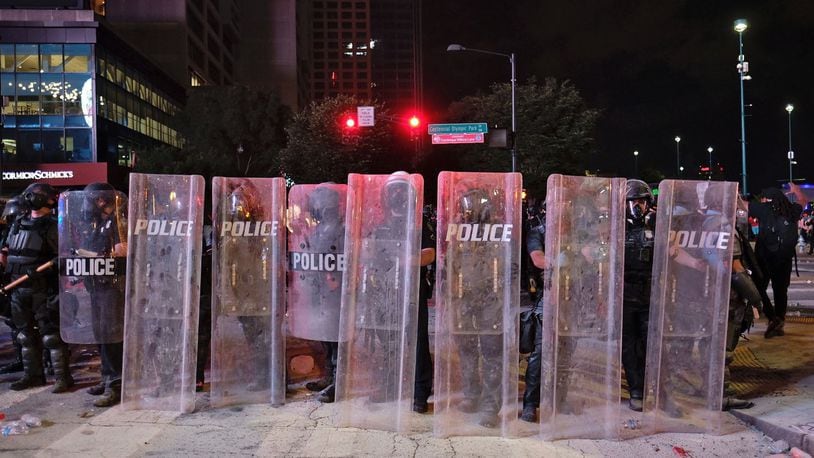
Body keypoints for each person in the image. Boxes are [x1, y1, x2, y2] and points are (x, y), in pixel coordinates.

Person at [0, 182, 73, 392]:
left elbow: (64, 257)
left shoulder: (53, 225)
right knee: (24, 335)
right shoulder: (17, 223)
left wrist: (45, 269)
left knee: (50, 335)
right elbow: (7, 250)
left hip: (43, 288)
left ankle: (62, 378)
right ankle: (33, 375)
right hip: (17, 287)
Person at [79, 182, 127, 407]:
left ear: (101, 200)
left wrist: (98, 255)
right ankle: (107, 377)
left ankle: (116, 384)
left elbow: (122, 251)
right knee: (101, 333)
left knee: (112, 334)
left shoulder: (119, 221)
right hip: (96, 283)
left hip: (113, 285)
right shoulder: (99, 223)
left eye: (92, 199)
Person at [750, 185, 805, 338]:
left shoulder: (763, 209)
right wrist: (797, 191)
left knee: (758, 288)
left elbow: (742, 205)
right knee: (781, 290)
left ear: (767, 199)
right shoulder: (791, 210)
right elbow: (803, 201)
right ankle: (779, 320)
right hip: (784, 258)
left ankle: (772, 317)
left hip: (764, 257)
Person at [621, 179, 655, 411]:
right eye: (632, 201)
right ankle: (636, 389)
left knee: (651, 342)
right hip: (624, 293)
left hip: (650, 293)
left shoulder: (658, 225)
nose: (637, 205)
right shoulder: (614, 226)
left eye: (641, 201)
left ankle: (653, 387)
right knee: (629, 345)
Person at [521, 212, 545, 422]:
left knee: (566, 355)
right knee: (540, 354)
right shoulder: (539, 232)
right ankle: (530, 404)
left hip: (572, 296)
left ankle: (560, 400)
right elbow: (538, 259)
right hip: (547, 297)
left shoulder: (576, 232)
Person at [0, 195, 28, 374]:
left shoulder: (31, 228)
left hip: (29, 281)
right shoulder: (9, 231)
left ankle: (42, 363)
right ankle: (22, 360)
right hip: (10, 279)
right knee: (14, 322)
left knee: (34, 326)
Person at [413, 205, 436, 414]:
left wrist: (402, 257)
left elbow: (429, 255)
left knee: (418, 341)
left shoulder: (418, 223)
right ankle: (390, 387)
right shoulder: (383, 222)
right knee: (387, 339)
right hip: (386, 287)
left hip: (413, 289)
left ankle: (420, 393)